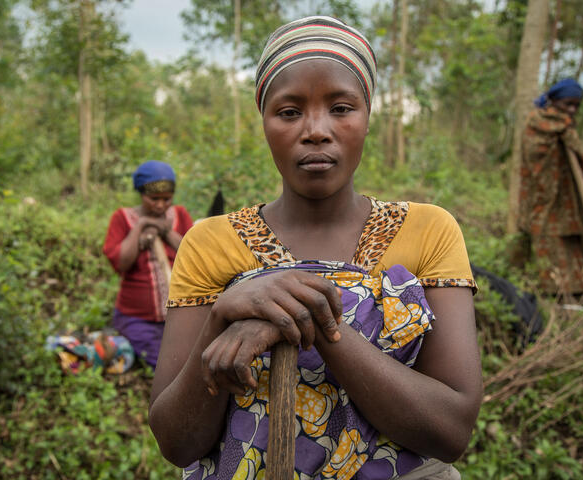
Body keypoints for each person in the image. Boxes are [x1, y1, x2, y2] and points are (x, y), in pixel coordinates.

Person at [149, 16, 482, 480]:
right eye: (289, 111)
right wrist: (221, 321)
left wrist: (315, 323)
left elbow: (451, 430)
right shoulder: (211, 242)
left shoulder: (429, 230)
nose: (316, 130)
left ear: (367, 117)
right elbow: (176, 442)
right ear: (265, 124)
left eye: (341, 108)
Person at [103, 160, 193, 368]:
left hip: (179, 315)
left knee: (186, 357)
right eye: (153, 199)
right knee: (162, 363)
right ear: (141, 195)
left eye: (166, 199)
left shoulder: (179, 215)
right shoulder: (122, 218)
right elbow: (121, 263)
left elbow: (193, 255)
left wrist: (164, 231)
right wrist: (142, 226)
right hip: (137, 318)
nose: (160, 205)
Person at [518, 78, 583, 295]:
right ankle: (551, 290)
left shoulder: (566, 128)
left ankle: (577, 288)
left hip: (568, 199)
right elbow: (532, 157)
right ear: (555, 101)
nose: (572, 110)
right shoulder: (537, 123)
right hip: (543, 196)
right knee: (546, 237)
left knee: (571, 240)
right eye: (568, 104)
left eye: (576, 105)